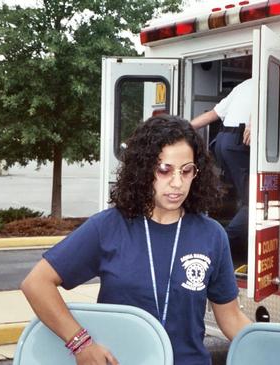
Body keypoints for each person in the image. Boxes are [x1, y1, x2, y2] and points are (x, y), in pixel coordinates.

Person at [21, 115, 251, 365]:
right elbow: (37, 283)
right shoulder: (108, 227)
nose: (177, 183)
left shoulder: (211, 235)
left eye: (186, 171)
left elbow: (231, 318)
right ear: (144, 169)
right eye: (164, 170)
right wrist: (80, 343)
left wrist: (270, 348)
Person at [190, 78, 252, 249]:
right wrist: (255, 121)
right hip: (238, 144)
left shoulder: (243, 85)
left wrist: (184, 126)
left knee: (242, 195)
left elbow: (213, 114)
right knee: (253, 202)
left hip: (222, 144)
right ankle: (218, 243)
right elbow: (265, 99)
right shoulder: (268, 79)